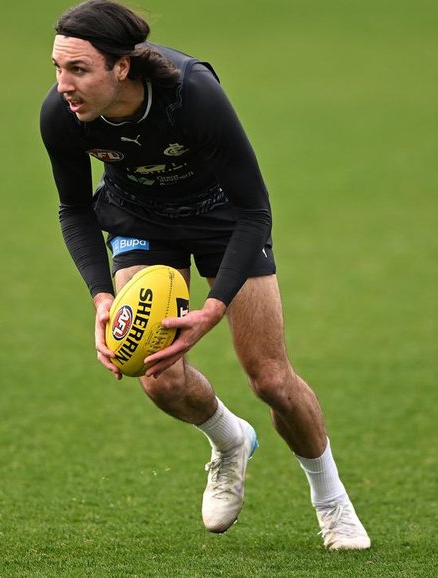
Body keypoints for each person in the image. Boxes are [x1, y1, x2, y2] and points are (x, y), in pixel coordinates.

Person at [40, 0, 371, 550]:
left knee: (270, 379)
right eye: (57, 67)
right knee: (156, 375)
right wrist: (101, 296)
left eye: (78, 70)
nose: (63, 84)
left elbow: (254, 210)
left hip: (223, 218)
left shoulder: (192, 94)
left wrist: (213, 308)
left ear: (121, 67)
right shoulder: (61, 115)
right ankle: (229, 440)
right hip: (138, 219)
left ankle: (332, 502)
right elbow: (75, 210)